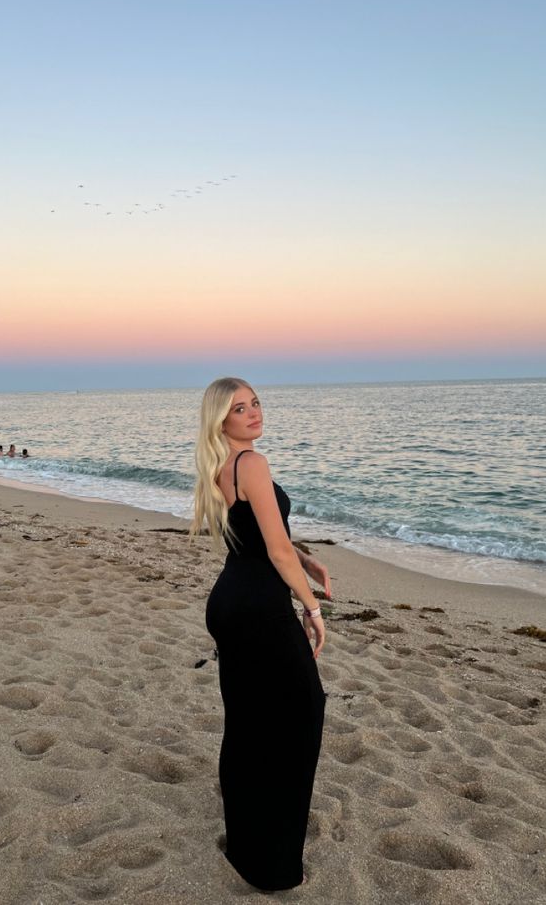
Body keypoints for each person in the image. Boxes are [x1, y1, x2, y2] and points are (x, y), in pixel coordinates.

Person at [192, 377, 330, 891]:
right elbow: (272, 551)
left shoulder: (218, 465)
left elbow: (257, 540)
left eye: (255, 403)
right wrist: (312, 608)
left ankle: (246, 846)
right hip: (258, 608)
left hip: (230, 601)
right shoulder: (252, 463)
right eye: (239, 409)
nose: (253, 414)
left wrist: (305, 559)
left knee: (248, 723)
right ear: (220, 420)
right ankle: (271, 864)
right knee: (304, 712)